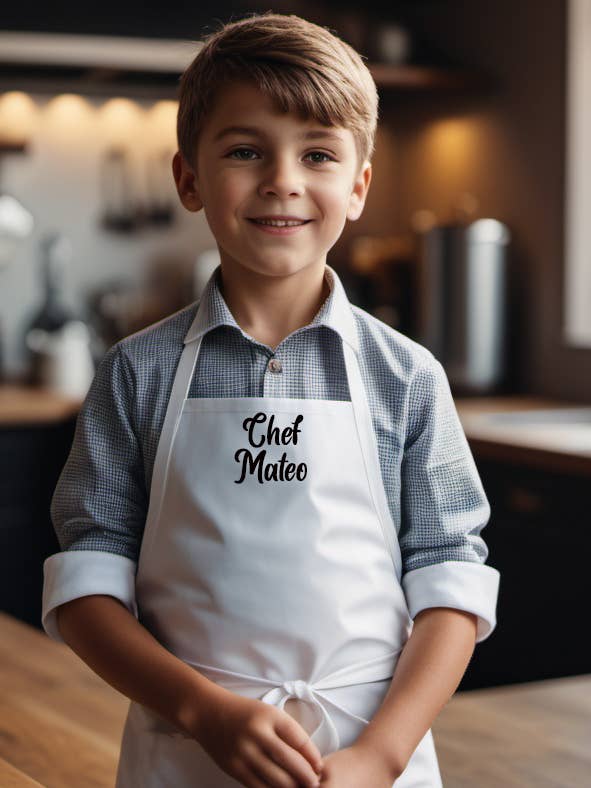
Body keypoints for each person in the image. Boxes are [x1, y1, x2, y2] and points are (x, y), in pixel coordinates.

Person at [41, 12, 500, 788]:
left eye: (316, 154)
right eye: (245, 150)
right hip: (187, 753)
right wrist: (202, 711)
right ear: (189, 179)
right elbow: (86, 591)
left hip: (365, 757)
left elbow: (450, 586)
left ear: (357, 187)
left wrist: (380, 756)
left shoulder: (406, 378)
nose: (282, 179)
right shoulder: (136, 374)